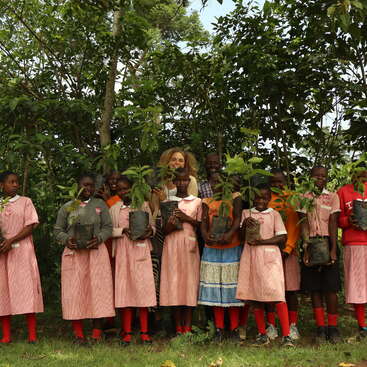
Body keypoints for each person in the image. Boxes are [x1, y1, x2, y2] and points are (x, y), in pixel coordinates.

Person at [54, 173, 115, 344]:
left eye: (91, 185)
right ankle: (78, 334)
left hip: (96, 254)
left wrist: (100, 238)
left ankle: (96, 334)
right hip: (74, 256)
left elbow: (108, 227)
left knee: (98, 291)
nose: (88, 188)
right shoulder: (68, 206)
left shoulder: (100, 204)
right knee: (75, 292)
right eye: (84, 185)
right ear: (77, 185)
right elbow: (58, 230)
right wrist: (67, 240)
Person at [236, 184, 294, 347]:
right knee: (255, 296)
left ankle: (286, 335)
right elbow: (241, 237)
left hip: (270, 258)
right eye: (258, 197)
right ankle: (262, 334)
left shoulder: (274, 214)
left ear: (269, 199)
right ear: (253, 198)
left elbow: (281, 237)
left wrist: (262, 241)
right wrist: (244, 224)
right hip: (251, 257)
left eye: (264, 198)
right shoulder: (246, 213)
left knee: (277, 294)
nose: (261, 200)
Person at [109, 176, 156, 345]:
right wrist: (123, 230)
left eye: (126, 188)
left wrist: (149, 232)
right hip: (122, 252)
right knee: (125, 291)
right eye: (120, 189)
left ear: (132, 188)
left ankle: (144, 333)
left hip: (141, 251)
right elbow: (108, 230)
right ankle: (127, 333)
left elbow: (153, 226)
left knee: (143, 291)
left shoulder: (142, 205)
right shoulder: (114, 208)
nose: (123, 192)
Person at [198, 172, 243, 341]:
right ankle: (218, 328)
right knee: (214, 289)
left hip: (231, 247)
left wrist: (230, 234)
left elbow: (238, 218)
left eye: (219, 181)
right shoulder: (207, 201)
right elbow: (203, 222)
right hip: (212, 248)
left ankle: (234, 328)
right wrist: (205, 236)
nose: (216, 185)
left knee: (232, 289)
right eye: (213, 182)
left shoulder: (234, 197)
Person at [298, 166, 341, 343]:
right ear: (310, 177)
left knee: (330, 288)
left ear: (327, 178)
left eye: (323, 176)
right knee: (315, 288)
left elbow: (333, 222)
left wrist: (332, 248)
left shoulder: (332, 197)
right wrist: (306, 248)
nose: (319, 179)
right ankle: (321, 328)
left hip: (327, 242)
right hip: (311, 244)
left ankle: (333, 328)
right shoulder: (303, 197)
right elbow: (303, 224)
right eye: (316, 176)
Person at [0, 171, 43, 344]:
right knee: (3, 292)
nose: (15, 185)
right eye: (11, 182)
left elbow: (30, 225)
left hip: (22, 251)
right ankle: (6, 336)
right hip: (3, 253)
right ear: (1, 185)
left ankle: (32, 336)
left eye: (17, 182)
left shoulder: (26, 202)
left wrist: (11, 240)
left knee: (27, 291)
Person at [159, 168, 202, 334]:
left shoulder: (197, 201)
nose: (182, 183)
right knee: (175, 284)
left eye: (185, 180)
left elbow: (201, 226)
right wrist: (171, 223)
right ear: (174, 182)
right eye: (179, 180)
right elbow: (163, 230)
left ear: (189, 182)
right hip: (172, 245)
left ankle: (188, 327)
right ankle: (178, 328)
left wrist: (186, 219)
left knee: (189, 284)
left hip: (189, 245)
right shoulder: (168, 201)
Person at [267, 169, 301, 340]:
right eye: (273, 183)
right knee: (271, 290)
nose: (276, 185)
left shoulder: (292, 198)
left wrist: (288, 248)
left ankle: (292, 325)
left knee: (291, 290)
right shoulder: (267, 199)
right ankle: (271, 325)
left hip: (289, 252)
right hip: (270, 252)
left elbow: (295, 226)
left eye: (279, 182)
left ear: (286, 182)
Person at [338, 163, 367, 337]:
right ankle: (362, 324)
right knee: (357, 284)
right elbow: (338, 220)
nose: (361, 177)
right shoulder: (343, 191)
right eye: (357, 174)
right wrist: (349, 220)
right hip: (354, 243)